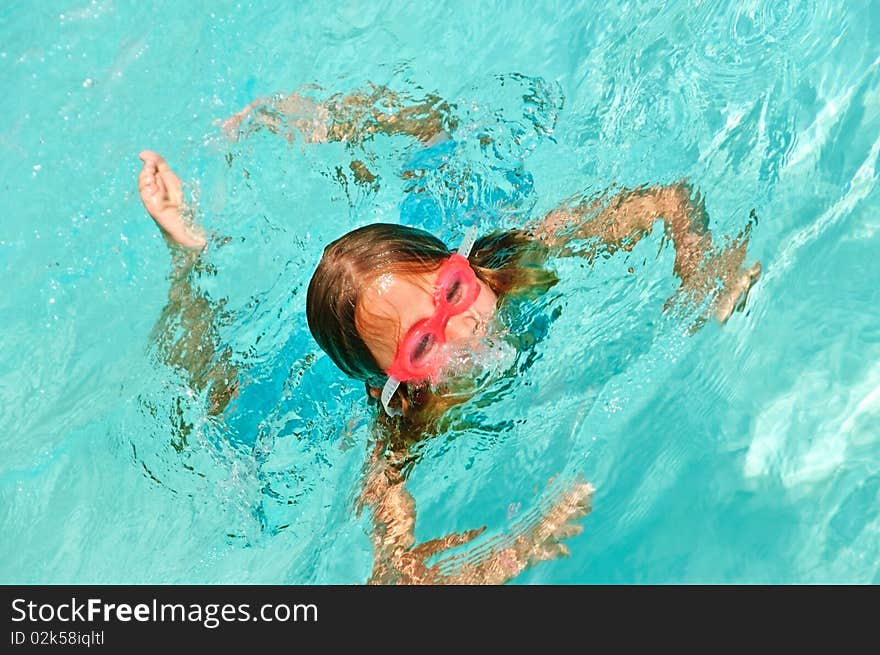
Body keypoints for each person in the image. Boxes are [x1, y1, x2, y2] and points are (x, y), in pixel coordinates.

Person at [137, 82, 760, 583]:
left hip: (434, 213)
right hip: (300, 394)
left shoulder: (508, 261)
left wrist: (702, 268)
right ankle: (185, 252)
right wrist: (496, 560)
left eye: (454, 293)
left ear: (462, 265)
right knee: (218, 405)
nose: (461, 326)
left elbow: (667, 200)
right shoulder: (408, 423)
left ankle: (326, 116)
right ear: (394, 382)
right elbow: (391, 573)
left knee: (439, 130)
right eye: (423, 345)